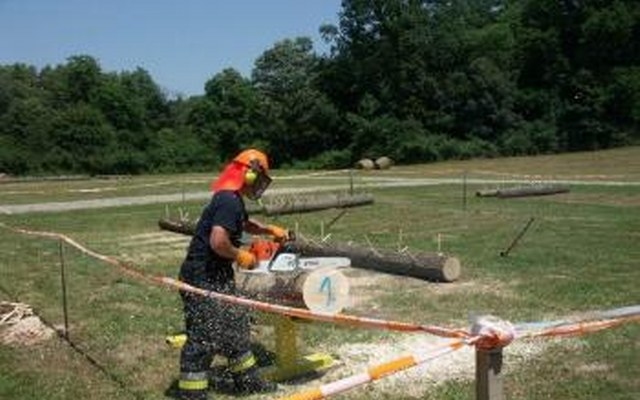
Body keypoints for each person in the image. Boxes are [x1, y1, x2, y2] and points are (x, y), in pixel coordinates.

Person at [177, 149, 288, 400]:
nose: (259, 184)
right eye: (258, 177)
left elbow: (244, 224)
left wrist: (269, 229)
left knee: (235, 324)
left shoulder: (232, 199)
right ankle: (192, 393)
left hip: (216, 273)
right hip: (201, 275)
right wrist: (240, 256)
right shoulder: (228, 199)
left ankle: (246, 380)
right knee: (204, 334)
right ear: (248, 173)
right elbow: (218, 242)